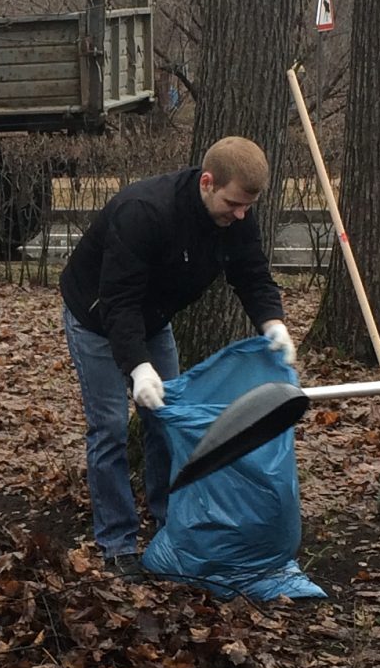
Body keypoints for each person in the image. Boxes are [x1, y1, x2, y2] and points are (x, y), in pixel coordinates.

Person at [58, 137, 292, 574]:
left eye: (247, 206)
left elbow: (252, 274)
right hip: (95, 317)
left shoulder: (237, 217)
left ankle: (169, 522)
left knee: (166, 418)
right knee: (109, 427)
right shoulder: (144, 211)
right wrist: (138, 367)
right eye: (234, 203)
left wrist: (272, 322)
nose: (241, 214)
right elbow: (118, 301)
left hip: (153, 315)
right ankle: (117, 541)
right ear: (207, 183)